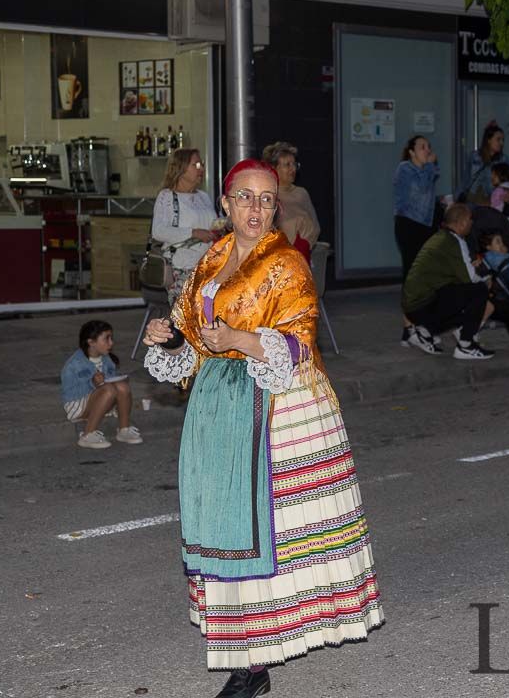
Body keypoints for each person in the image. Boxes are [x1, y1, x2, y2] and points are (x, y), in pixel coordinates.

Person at [141, 159, 383, 695]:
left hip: (275, 401)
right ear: (225, 205)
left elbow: (298, 342)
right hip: (216, 401)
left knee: (258, 523)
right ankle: (244, 649)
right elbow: (192, 330)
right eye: (245, 198)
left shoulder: (287, 264)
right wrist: (170, 338)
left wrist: (240, 341)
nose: (256, 209)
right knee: (221, 519)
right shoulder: (212, 259)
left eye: (267, 199)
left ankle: (252, 662)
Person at [401, 203, 496, 360]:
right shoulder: (455, 241)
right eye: (470, 220)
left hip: (412, 307)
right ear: (463, 222)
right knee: (479, 290)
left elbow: (454, 273)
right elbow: (471, 278)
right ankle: (466, 345)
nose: (472, 223)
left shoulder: (440, 237)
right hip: (423, 305)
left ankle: (424, 330)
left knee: (463, 296)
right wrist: (487, 280)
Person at [61, 320, 141, 449]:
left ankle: (124, 430)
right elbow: (72, 393)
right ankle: (88, 434)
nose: (111, 343)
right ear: (91, 342)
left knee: (122, 386)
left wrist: (117, 382)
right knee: (108, 389)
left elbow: (110, 382)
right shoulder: (75, 364)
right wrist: (93, 383)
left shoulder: (107, 359)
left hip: (100, 400)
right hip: (77, 405)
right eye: (106, 339)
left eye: (111, 338)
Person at [152, 148, 218, 306]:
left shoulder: (203, 196)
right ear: (181, 168)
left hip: (208, 267)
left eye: (201, 164)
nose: (201, 168)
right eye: (195, 164)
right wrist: (193, 233)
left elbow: (212, 224)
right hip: (182, 267)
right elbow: (158, 231)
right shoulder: (167, 197)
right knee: (188, 318)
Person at [394, 135, 442, 345]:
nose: (427, 150)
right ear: (411, 152)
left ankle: (422, 323)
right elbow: (420, 190)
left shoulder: (426, 171)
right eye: (422, 147)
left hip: (426, 227)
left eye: (428, 146)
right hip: (409, 227)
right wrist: (431, 167)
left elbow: (427, 201)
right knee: (411, 277)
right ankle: (408, 328)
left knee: (426, 277)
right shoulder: (405, 169)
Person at [262, 141, 320, 261]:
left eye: (294, 164)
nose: (293, 169)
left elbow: (315, 228)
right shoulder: (266, 194)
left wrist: (303, 245)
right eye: (287, 165)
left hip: (301, 258)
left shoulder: (301, 193)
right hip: (274, 259)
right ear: (274, 168)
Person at [464, 123, 508, 206]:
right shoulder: (474, 156)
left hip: (493, 201)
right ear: (488, 140)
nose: (501, 143)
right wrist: (456, 198)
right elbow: (466, 179)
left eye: (503, 140)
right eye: (498, 139)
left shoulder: (503, 159)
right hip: (473, 201)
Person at [488, 162, 509, 228]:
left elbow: (495, 211)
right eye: (492, 175)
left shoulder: (498, 190)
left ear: (502, 175)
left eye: (494, 175)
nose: (491, 177)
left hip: (505, 226)